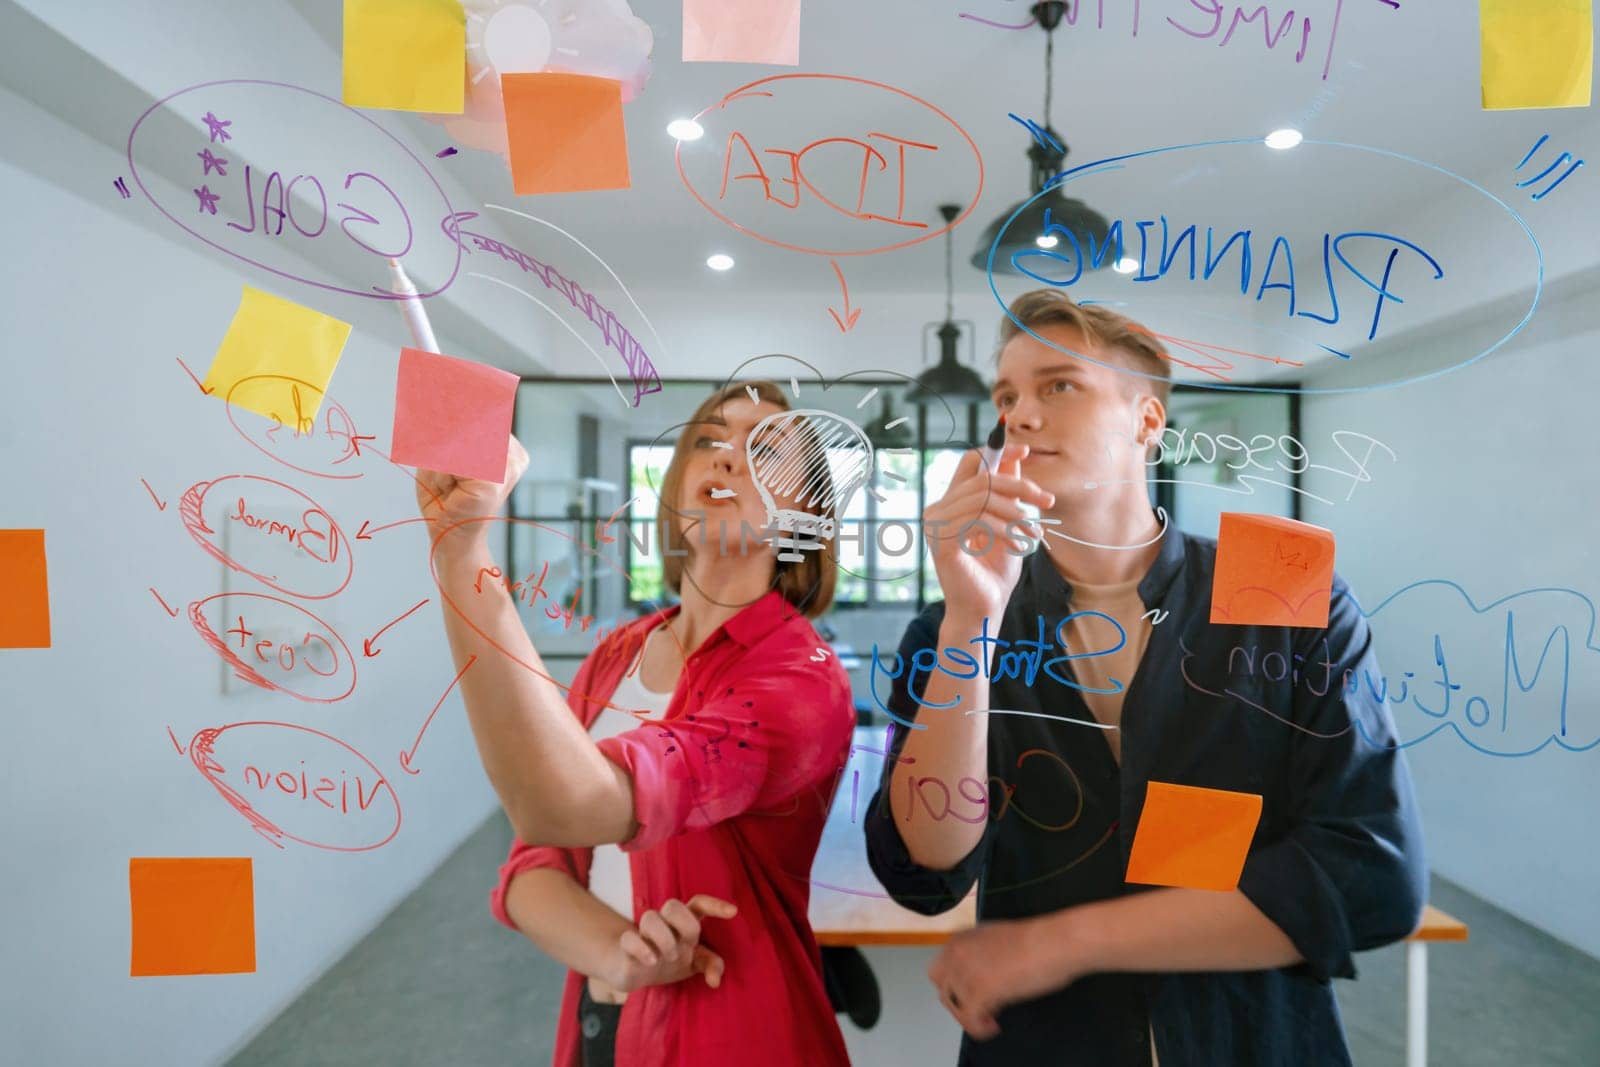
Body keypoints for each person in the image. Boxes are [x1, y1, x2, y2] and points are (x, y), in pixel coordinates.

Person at [863, 290, 1427, 1066]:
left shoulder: (1282, 582)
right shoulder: (955, 621)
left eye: (1058, 385)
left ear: (1148, 422)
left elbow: (1373, 869)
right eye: (1007, 396)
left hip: (1252, 1038)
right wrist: (971, 620)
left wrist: (1064, 941)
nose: (1019, 414)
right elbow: (922, 867)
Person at [415, 380, 855, 1067]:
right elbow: (533, 865)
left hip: (735, 1033)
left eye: (765, 448)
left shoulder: (802, 679)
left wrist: (462, 552)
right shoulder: (615, 654)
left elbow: (568, 802)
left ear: (805, 510)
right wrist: (619, 953)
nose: (727, 457)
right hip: (605, 1023)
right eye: (709, 439)